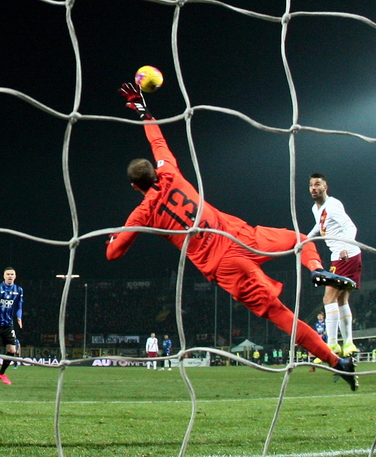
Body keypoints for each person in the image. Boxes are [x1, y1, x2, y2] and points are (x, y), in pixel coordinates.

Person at [107, 83, 358, 391]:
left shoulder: (143, 213)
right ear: (156, 173)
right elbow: (157, 140)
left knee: (280, 315)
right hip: (235, 234)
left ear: (135, 187)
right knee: (300, 238)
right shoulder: (170, 173)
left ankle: (337, 362)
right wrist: (142, 109)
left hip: (222, 265)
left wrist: (114, 239)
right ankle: (315, 268)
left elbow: (114, 254)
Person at [308, 173, 362, 358]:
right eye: (311, 185)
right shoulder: (316, 209)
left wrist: (345, 246)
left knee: (328, 299)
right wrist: (304, 240)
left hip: (344, 256)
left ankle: (331, 344)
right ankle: (348, 343)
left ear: (325, 187)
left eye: (318, 184)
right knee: (341, 300)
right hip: (349, 256)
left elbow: (351, 227)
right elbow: (319, 226)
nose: (314, 188)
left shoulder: (333, 205)